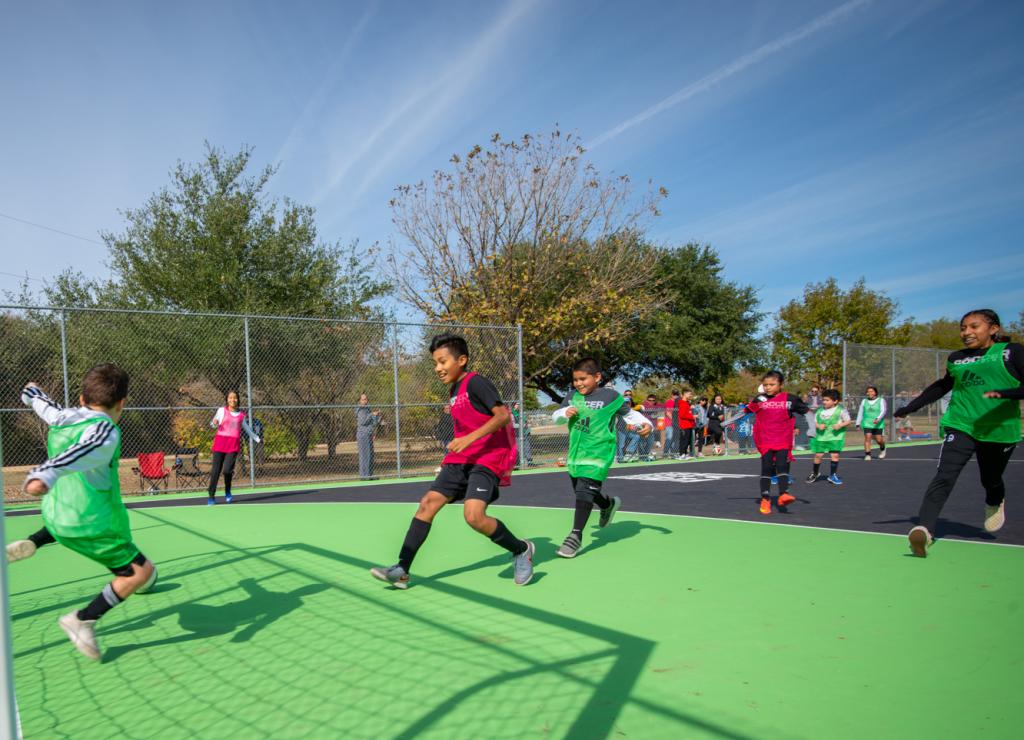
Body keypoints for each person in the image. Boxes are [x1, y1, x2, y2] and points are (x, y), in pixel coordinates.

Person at [11, 365, 157, 660]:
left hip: (56, 515)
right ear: (122, 404)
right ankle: (82, 619)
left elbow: (43, 403)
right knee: (141, 572)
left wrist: (31, 392)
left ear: (80, 398)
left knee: (68, 520)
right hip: (91, 524)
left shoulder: (62, 416)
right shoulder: (106, 431)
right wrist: (45, 473)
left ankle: (34, 541)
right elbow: (85, 448)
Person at [370, 334, 534, 588]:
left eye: (442, 361)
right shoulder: (453, 389)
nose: (438, 368)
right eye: (435, 363)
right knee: (427, 504)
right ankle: (401, 569)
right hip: (462, 458)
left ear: (462, 360)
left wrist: (469, 439)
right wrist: (460, 445)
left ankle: (521, 549)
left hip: (487, 458)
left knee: (474, 516)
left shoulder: (476, 382)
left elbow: (502, 416)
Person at [894, 310, 1024, 557]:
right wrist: (912, 406)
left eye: (974, 327)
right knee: (945, 475)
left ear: (993, 329)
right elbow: (943, 385)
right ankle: (925, 530)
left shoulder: (1011, 352)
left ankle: (994, 500)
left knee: (991, 479)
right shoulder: (957, 358)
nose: (966, 333)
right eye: (963, 328)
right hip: (961, 424)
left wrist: (1007, 394)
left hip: (999, 429)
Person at [552, 358, 653, 558]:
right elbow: (556, 417)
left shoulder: (611, 397)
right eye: (575, 380)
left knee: (584, 492)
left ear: (597, 377)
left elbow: (630, 415)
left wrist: (645, 424)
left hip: (599, 452)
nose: (579, 383)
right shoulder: (572, 396)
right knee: (582, 491)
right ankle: (607, 505)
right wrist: (565, 411)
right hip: (576, 453)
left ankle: (575, 536)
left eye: (583, 379)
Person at [746, 371, 810, 515]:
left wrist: (813, 427)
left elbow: (806, 411)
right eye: (765, 385)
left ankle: (783, 494)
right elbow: (746, 411)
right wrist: (726, 422)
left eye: (772, 384)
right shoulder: (760, 399)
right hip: (766, 440)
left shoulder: (790, 399)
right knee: (767, 467)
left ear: (780, 385)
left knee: (782, 465)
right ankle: (766, 499)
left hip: (782, 439)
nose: (768, 387)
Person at [207, 390, 261, 505]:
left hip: (232, 447)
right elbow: (213, 424)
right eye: (230, 398)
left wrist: (257, 438)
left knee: (227, 471)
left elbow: (247, 429)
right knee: (215, 471)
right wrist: (214, 422)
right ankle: (211, 496)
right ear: (227, 399)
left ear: (238, 399)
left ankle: (227, 491)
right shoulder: (221, 411)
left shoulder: (241, 415)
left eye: (235, 398)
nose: (233, 400)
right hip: (219, 445)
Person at [807, 389, 852, 485]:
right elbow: (814, 421)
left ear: (835, 401)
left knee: (835, 455)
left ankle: (832, 475)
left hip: (835, 437)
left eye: (827, 400)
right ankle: (815, 473)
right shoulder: (820, 410)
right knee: (818, 455)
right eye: (823, 400)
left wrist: (840, 425)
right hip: (821, 437)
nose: (824, 402)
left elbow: (848, 421)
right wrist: (818, 426)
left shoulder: (841, 410)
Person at [356, 393, 382, 480]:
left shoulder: (368, 409)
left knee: (370, 455)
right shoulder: (360, 410)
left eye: (366, 399)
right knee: (364, 456)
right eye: (363, 399)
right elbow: (363, 421)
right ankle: (364, 476)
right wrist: (372, 415)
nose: (365, 401)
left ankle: (369, 475)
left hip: (369, 434)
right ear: (360, 401)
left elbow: (374, 423)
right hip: (363, 435)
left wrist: (377, 416)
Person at [856, 386, 888, 460]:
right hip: (867, 423)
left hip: (878, 423)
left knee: (879, 440)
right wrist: (858, 423)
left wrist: (878, 419)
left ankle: (883, 449)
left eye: (871, 391)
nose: (869, 393)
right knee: (868, 437)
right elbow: (860, 412)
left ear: (875, 392)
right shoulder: (864, 401)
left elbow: (883, 411)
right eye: (868, 391)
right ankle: (868, 455)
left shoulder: (881, 400)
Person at [511, 401, 534, 466]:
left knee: (527, 447)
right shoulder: (511, 414)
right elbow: (512, 425)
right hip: (517, 434)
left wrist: (528, 429)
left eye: (519, 404)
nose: (519, 406)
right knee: (519, 448)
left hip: (524, 433)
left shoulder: (522, 413)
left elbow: (526, 422)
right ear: (514, 405)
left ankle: (529, 461)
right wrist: (521, 425)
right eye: (517, 404)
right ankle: (520, 462)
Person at [675, 390, 696, 459]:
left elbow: (687, 413)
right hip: (684, 425)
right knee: (684, 440)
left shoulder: (686, 403)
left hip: (688, 425)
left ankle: (685, 454)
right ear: (684, 394)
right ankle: (682, 454)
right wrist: (693, 416)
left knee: (687, 440)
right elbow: (682, 415)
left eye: (691, 394)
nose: (690, 396)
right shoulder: (682, 403)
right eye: (689, 394)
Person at [662, 390, 678, 457]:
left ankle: (673, 453)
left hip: (676, 424)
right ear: (671, 394)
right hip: (669, 423)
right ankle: (665, 453)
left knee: (674, 439)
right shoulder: (669, 402)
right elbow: (668, 413)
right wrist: (674, 420)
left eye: (677, 394)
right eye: (674, 394)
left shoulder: (678, 402)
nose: (675, 396)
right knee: (669, 437)